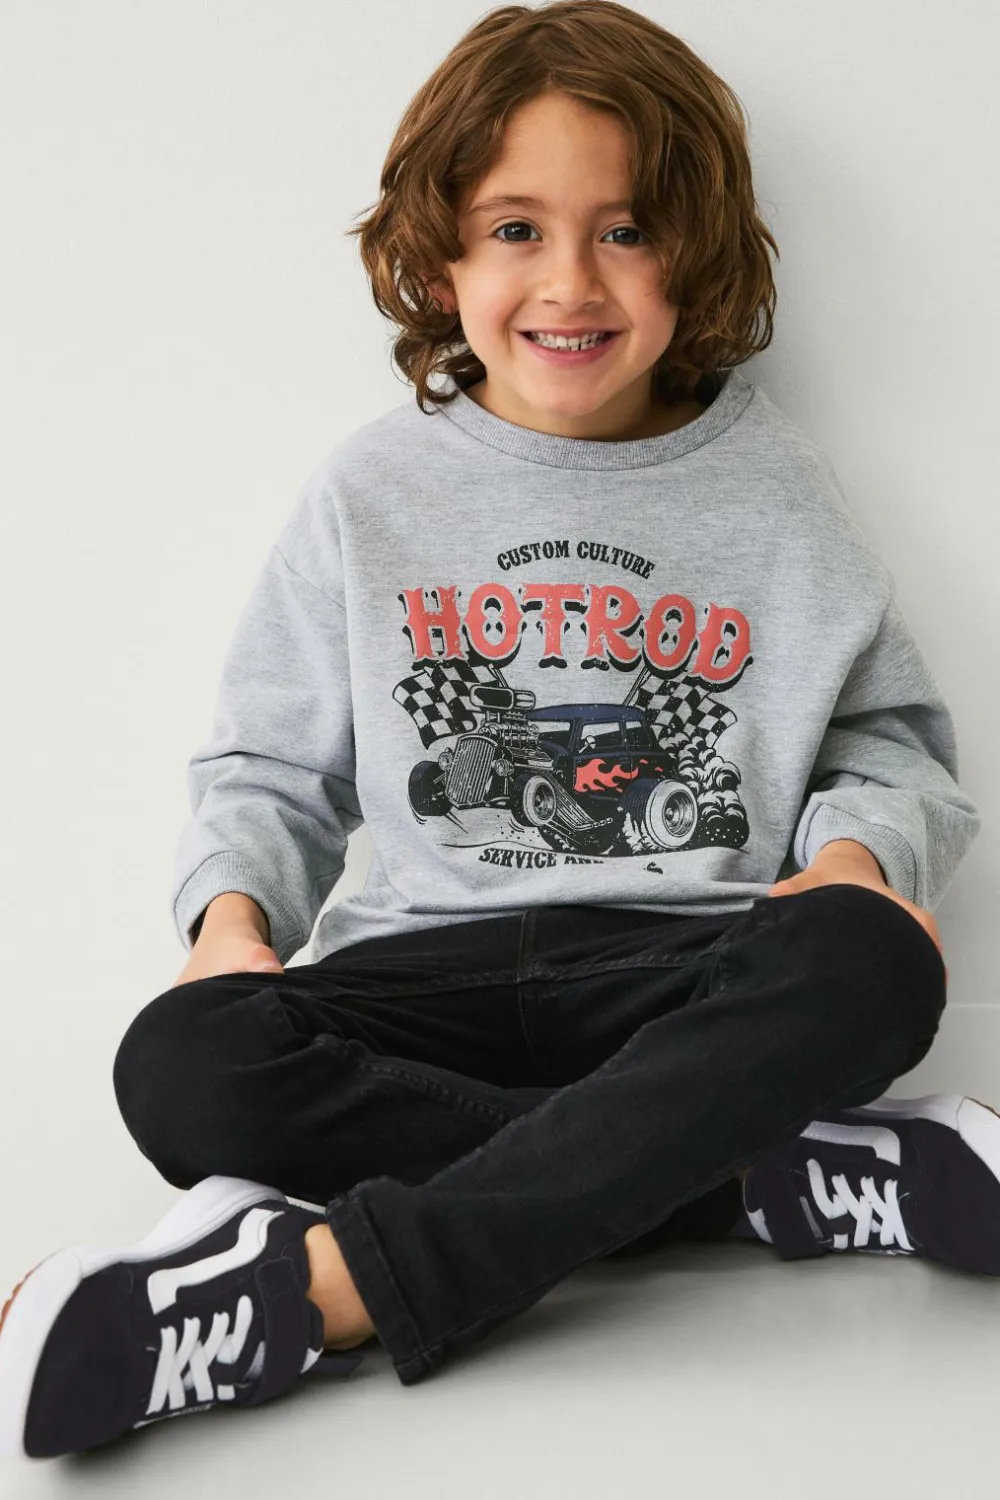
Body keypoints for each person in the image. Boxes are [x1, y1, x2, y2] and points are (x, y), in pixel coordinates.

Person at [0, 0, 991, 1462]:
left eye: (627, 230)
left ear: (697, 252)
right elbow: (272, 765)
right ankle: (749, 1176)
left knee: (873, 957)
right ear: (440, 257)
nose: (570, 281)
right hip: (423, 974)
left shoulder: (775, 487)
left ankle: (319, 1294)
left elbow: (890, 741)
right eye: (516, 229)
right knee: (183, 1061)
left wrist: (854, 860)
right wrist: (231, 924)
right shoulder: (370, 491)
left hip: (676, 970)